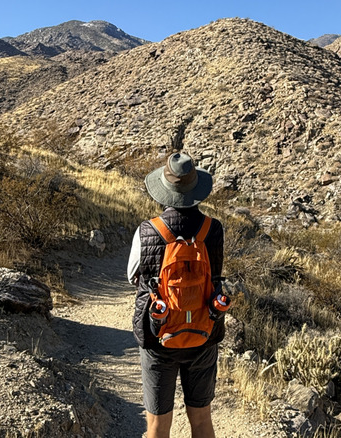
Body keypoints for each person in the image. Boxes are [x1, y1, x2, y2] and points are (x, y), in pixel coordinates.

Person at [127, 152, 225, 438]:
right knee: (202, 420)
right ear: (196, 190)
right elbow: (215, 273)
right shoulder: (213, 229)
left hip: (159, 336)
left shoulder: (148, 230)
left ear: (164, 190)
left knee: (158, 426)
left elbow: (133, 276)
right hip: (204, 331)